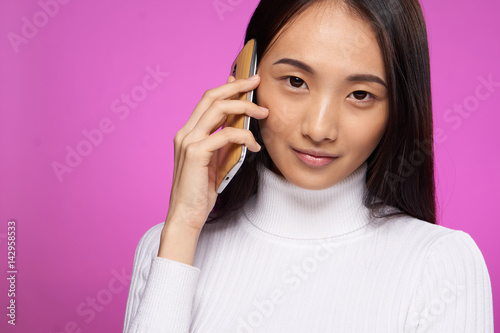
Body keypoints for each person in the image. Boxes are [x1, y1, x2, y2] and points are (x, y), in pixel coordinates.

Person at [123, 0, 494, 332]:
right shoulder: (167, 246)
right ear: (244, 79)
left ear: (396, 108)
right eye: (296, 81)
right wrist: (184, 225)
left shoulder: (440, 264)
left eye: (361, 95)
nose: (319, 129)